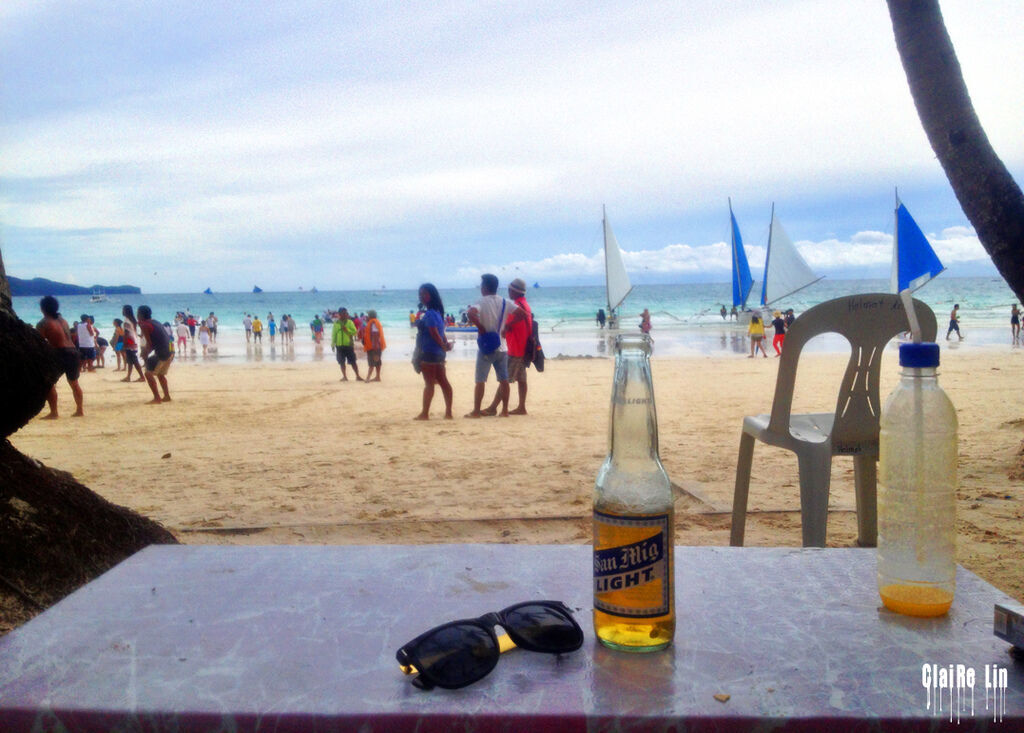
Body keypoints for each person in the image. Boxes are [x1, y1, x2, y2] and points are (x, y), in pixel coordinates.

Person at [465, 273, 524, 418]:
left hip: (486, 347)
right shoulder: (505, 302)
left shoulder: (481, 301)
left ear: (484, 287)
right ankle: (504, 411)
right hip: (502, 347)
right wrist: (508, 325)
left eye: (481, 286)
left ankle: (476, 411)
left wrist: (480, 327)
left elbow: (470, 313)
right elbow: (522, 314)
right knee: (504, 380)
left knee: (480, 380)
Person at [483, 278, 532, 416]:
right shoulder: (525, 304)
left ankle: (493, 407)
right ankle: (521, 407)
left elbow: (508, 324)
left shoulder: (517, 306)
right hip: (522, 347)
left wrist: (507, 326)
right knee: (521, 379)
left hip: (515, 347)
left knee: (504, 379)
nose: (509, 292)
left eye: (510, 290)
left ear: (515, 291)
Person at [36, 296, 84, 418]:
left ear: (42, 308)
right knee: (74, 383)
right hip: (73, 352)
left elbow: (38, 343)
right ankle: (80, 410)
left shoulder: (43, 323)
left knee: (49, 383)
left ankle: (54, 412)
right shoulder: (63, 320)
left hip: (60, 353)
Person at [414, 283, 454, 420]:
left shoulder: (430, 314)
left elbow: (433, 332)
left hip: (429, 352)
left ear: (431, 295)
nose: (421, 296)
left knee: (429, 384)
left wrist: (443, 345)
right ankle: (448, 412)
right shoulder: (437, 313)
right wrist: (445, 345)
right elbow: (441, 332)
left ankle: (424, 413)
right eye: (420, 294)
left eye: (424, 294)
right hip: (438, 354)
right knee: (443, 382)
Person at [138, 305, 173, 403]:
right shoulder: (156, 322)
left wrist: (145, 354)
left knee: (148, 374)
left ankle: (157, 398)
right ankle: (166, 396)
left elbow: (150, 344)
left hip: (162, 352)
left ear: (140, 315)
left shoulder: (144, 325)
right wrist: (146, 352)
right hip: (170, 350)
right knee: (160, 374)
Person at [331, 308, 362, 381]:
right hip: (339, 346)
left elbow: (355, 332)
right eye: (343, 313)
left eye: (346, 313)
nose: (345, 315)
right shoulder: (336, 323)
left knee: (353, 362)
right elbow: (334, 335)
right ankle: (344, 377)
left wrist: (347, 330)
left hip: (348, 345)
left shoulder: (350, 322)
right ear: (339, 314)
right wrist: (332, 344)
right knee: (341, 362)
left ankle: (357, 376)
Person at [121, 305, 145, 382]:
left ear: (125, 311)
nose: (122, 311)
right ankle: (128, 376)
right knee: (130, 360)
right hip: (133, 340)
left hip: (129, 341)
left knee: (134, 360)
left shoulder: (126, 321)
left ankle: (142, 377)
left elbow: (126, 334)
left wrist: (124, 344)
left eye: (123, 310)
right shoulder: (132, 320)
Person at [361, 309, 386, 382]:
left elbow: (375, 335)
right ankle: (377, 377)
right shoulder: (375, 322)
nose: (367, 316)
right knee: (377, 362)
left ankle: (368, 378)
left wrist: (374, 348)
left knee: (371, 363)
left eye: (368, 315)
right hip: (377, 346)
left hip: (373, 347)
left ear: (370, 316)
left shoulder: (373, 323)